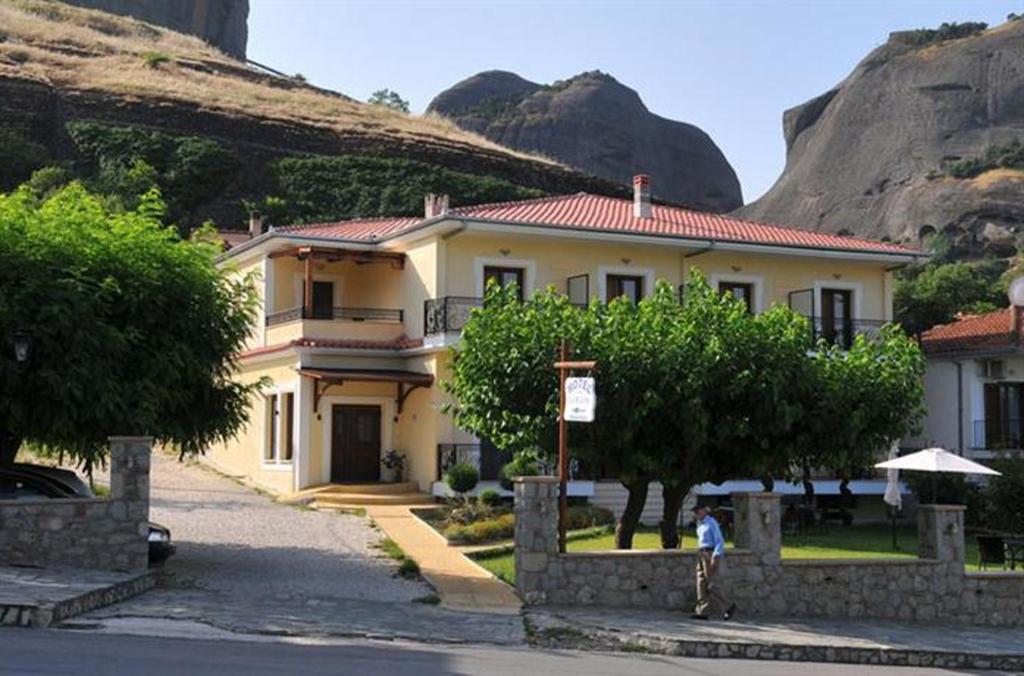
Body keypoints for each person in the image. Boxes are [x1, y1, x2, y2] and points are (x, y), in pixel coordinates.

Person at [691, 504, 737, 621]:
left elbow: (719, 541)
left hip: (709, 553)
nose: (696, 514)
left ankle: (728, 606)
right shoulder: (700, 524)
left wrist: (715, 556)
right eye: (695, 512)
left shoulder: (712, 523)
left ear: (704, 511)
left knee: (711, 584)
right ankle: (702, 611)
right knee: (701, 582)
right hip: (701, 553)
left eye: (698, 511)